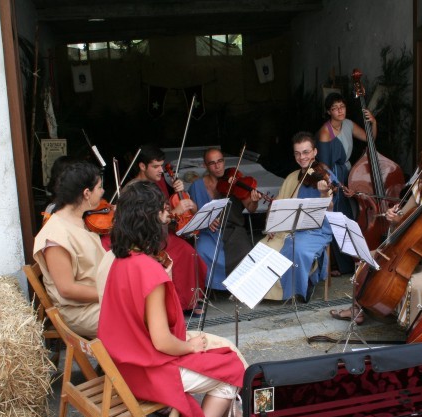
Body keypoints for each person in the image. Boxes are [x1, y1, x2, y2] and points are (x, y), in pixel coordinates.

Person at [98, 181, 246, 417]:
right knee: (233, 369)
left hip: (125, 366)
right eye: (163, 211)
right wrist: (191, 346)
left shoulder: (120, 259)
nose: (168, 217)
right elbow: (163, 341)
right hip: (149, 373)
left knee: (222, 355)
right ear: (149, 219)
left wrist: (160, 279)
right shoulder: (148, 269)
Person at [330, 144, 422, 326]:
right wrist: (394, 219)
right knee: (367, 259)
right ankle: (358, 309)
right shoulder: (420, 191)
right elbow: (402, 220)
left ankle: (415, 329)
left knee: (415, 283)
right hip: (412, 254)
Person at [33, 161, 106, 338]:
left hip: (96, 300)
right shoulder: (56, 235)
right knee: (141, 317)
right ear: (86, 193)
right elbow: (67, 289)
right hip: (78, 311)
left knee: (150, 308)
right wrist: (111, 294)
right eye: (99, 187)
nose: (103, 191)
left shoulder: (78, 220)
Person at [260, 132, 336, 302]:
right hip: (290, 228)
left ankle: (298, 287)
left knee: (297, 248)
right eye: (298, 153)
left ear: (315, 152)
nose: (302, 157)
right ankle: (267, 292)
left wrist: (324, 194)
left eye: (306, 152)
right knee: (264, 246)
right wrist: (273, 225)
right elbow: (278, 205)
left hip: (316, 229)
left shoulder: (324, 174)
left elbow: (330, 208)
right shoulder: (292, 177)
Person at [132, 144, 207, 313]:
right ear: (142, 166)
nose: (161, 170)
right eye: (155, 166)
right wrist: (174, 212)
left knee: (190, 253)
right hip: (146, 238)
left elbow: (169, 206)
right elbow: (145, 222)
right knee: (181, 255)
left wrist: (177, 191)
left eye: (161, 166)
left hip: (164, 234)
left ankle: (188, 302)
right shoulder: (134, 189)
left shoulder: (158, 182)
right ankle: (174, 305)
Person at [316, 92, 376, 275]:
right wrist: (339, 186)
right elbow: (324, 166)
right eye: (335, 108)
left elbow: (370, 139)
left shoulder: (348, 124)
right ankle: (341, 265)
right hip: (334, 177)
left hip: (348, 173)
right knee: (339, 216)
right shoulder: (326, 131)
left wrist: (373, 122)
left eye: (342, 106)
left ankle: (354, 260)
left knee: (352, 215)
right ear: (329, 112)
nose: (340, 111)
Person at [187, 147, 261, 291]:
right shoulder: (197, 186)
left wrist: (255, 201)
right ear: (205, 165)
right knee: (201, 250)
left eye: (220, 161)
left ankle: (240, 287)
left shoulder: (234, 181)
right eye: (212, 163)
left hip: (232, 229)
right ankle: (210, 288)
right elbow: (192, 215)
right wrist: (206, 220)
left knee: (245, 250)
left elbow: (251, 208)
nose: (217, 166)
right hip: (207, 231)